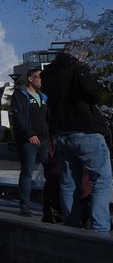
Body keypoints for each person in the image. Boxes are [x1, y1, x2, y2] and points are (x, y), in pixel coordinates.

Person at [40, 43, 111, 233]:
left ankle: (72, 225)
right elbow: (94, 95)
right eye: (84, 55)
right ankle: (100, 228)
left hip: (63, 133)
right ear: (77, 54)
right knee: (102, 180)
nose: (85, 59)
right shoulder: (78, 68)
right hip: (86, 131)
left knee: (69, 181)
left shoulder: (48, 74)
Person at [10, 67, 49, 216]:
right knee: (27, 172)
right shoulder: (20, 94)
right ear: (30, 79)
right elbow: (19, 117)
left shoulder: (44, 96)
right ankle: (25, 205)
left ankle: (49, 204)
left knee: (51, 173)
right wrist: (29, 134)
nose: (41, 80)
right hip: (29, 140)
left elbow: (48, 117)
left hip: (45, 140)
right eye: (39, 77)